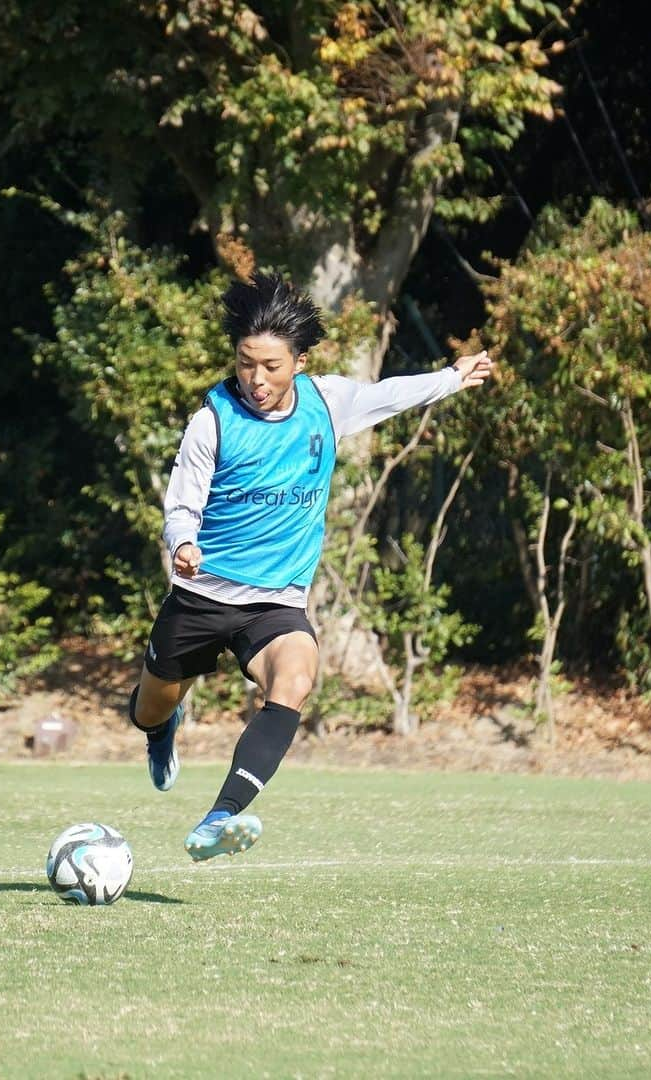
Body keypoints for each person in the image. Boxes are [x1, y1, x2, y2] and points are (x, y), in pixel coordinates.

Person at [127, 272, 494, 861]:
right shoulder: (213, 420)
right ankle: (159, 732)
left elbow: (389, 395)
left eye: (271, 365)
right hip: (202, 596)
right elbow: (183, 505)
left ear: (298, 361)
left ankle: (218, 819)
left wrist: (451, 378)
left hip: (276, 602)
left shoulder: (327, 403)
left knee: (295, 680)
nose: (257, 379)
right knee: (152, 707)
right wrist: (182, 545)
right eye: (246, 364)